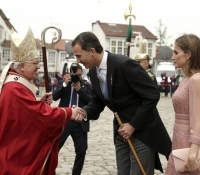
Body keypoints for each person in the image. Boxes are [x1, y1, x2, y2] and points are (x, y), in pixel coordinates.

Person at [71, 32, 171, 174]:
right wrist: (85, 111)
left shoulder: (124, 64)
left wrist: (133, 124)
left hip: (142, 131)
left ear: (92, 51)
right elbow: (98, 101)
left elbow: (152, 95)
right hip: (121, 131)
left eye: (79, 55)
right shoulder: (93, 71)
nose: (77, 60)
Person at [0, 28, 85, 175]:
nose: (39, 67)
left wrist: (39, 102)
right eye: (35, 63)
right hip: (17, 156)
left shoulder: (15, 84)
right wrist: (70, 112)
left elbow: (27, 114)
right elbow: (40, 115)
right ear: (21, 66)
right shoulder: (15, 88)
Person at [165, 34, 200, 174]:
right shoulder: (186, 78)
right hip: (179, 139)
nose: (173, 57)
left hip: (189, 143)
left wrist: (193, 153)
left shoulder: (196, 79)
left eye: (176, 52)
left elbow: (198, 120)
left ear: (189, 54)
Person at [53, 63, 92, 175]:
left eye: (79, 75)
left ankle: (76, 173)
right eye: (75, 75)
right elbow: (55, 97)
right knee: (55, 148)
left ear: (82, 74)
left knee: (81, 150)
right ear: (69, 73)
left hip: (80, 123)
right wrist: (65, 83)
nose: (77, 77)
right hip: (64, 121)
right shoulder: (64, 84)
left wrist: (80, 90)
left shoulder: (86, 85)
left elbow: (91, 101)